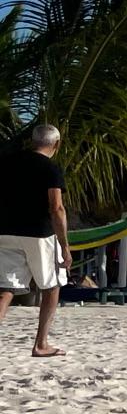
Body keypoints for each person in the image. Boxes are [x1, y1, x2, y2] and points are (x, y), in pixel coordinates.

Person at [0, 124, 69, 356]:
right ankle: (41, 344)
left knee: (6, 288)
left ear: (32, 141)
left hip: (6, 232)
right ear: (56, 144)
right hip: (39, 234)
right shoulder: (50, 168)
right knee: (52, 285)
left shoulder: (7, 163)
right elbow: (56, 208)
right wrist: (65, 246)